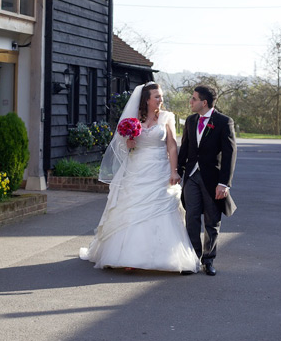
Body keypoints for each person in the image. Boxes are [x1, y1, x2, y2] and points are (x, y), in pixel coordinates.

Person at [80, 82, 200, 273]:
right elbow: (125, 148)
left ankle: (164, 256)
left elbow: (171, 146)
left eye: (161, 96)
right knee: (132, 208)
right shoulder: (133, 119)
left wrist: (174, 170)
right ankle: (127, 256)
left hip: (159, 169)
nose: (161, 99)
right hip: (137, 168)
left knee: (160, 210)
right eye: (157, 96)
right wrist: (129, 143)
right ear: (147, 99)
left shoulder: (167, 117)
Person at [177, 85, 237, 276]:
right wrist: (178, 171)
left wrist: (224, 183)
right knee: (192, 217)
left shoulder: (224, 122)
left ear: (204, 102)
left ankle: (208, 259)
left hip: (213, 180)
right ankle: (193, 258)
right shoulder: (190, 121)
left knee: (212, 221)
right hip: (191, 177)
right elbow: (185, 148)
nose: (191, 102)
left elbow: (230, 154)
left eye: (193, 99)